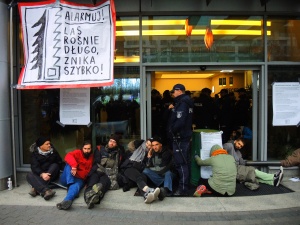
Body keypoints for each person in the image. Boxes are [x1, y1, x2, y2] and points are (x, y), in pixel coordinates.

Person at [83, 134, 122, 209]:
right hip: (97, 171)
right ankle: (90, 199)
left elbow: (117, 167)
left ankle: (94, 197)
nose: (111, 143)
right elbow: (96, 163)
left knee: (103, 185)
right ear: (108, 141)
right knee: (91, 184)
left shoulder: (118, 153)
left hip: (107, 175)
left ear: (116, 144)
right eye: (110, 141)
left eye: (114, 142)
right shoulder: (100, 149)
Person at [168, 83, 193, 196]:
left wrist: (172, 130)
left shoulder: (183, 103)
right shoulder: (186, 102)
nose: (173, 94)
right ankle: (184, 186)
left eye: (173, 91)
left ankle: (183, 188)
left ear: (179, 91)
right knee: (184, 162)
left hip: (180, 137)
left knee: (181, 163)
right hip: (184, 136)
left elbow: (180, 121)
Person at [119, 139, 161, 204]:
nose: (147, 146)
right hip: (128, 168)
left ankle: (146, 196)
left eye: (150, 145)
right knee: (138, 177)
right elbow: (136, 142)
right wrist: (143, 141)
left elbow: (147, 166)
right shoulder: (138, 147)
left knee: (143, 177)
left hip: (136, 171)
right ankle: (149, 190)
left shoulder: (148, 154)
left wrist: (149, 156)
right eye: (147, 143)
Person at [56, 140, 94, 210]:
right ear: (82, 148)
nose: (86, 151)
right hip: (67, 178)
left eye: (88, 149)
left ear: (91, 149)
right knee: (68, 164)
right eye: (85, 148)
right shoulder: (77, 152)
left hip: (80, 179)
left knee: (75, 187)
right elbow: (68, 156)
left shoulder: (92, 157)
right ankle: (70, 184)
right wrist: (74, 166)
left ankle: (66, 201)